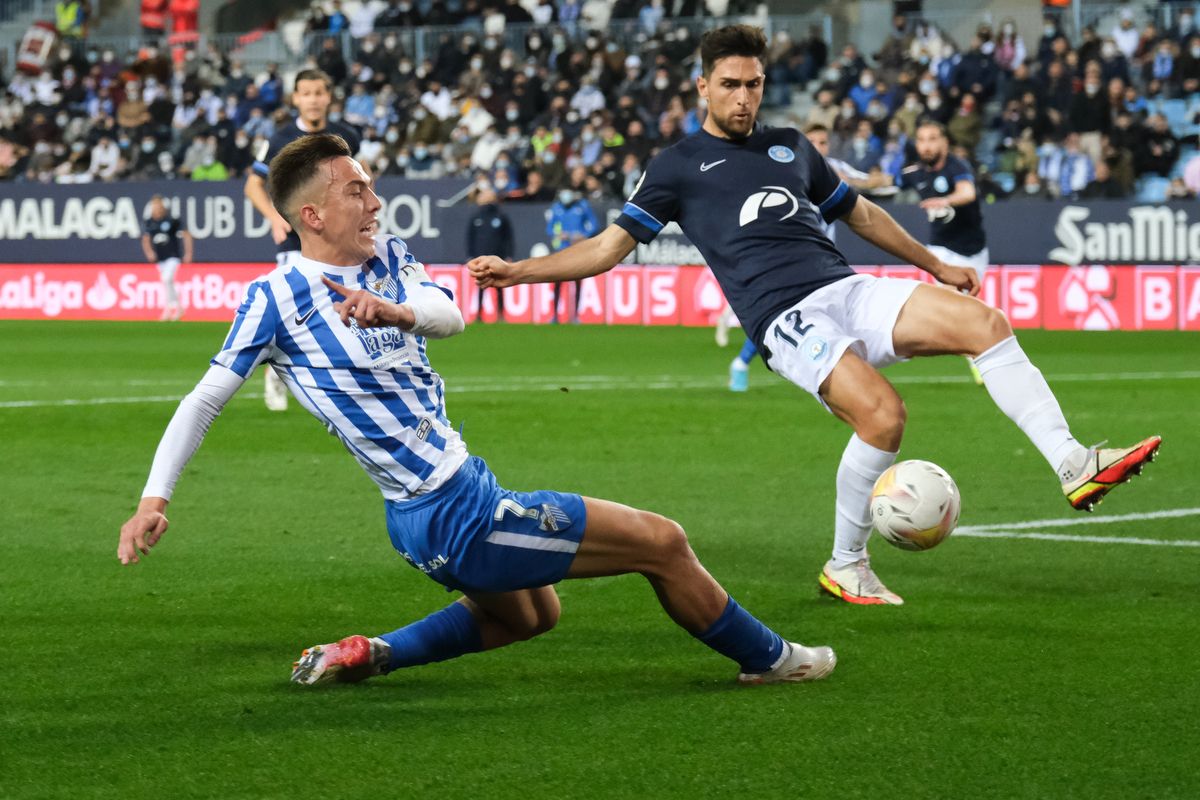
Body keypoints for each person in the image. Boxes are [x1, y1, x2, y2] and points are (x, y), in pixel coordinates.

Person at [470, 25, 1161, 606]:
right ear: (703, 88)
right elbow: (608, 247)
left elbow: (859, 212)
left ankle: (1072, 462)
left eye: (755, 84)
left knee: (986, 325)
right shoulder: (676, 166)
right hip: (783, 316)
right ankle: (846, 563)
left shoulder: (792, 147)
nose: (745, 97)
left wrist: (934, 263)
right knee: (885, 418)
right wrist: (519, 271)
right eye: (731, 84)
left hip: (846, 287)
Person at [116, 133, 836, 689]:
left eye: (371, 186)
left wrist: (395, 311)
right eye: (356, 190)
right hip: (453, 512)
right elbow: (206, 396)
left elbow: (450, 312)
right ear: (311, 214)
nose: (374, 201)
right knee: (663, 543)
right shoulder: (275, 300)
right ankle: (773, 660)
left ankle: (368, 654)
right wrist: (155, 497)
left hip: (434, 507)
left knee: (531, 614)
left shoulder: (384, 256)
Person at [244, 68, 362, 412]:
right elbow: (253, 184)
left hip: (336, 236)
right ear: (296, 98)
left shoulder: (346, 136)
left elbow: (362, 175)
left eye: (319, 92)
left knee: (339, 306)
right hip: (296, 238)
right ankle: (277, 373)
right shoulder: (280, 139)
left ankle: (337, 378)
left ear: (328, 97)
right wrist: (275, 217)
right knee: (294, 308)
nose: (313, 99)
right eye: (306, 93)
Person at [897, 120, 990, 385]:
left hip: (975, 250)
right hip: (941, 251)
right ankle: (971, 353)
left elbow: (967, 192)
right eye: (922, 139)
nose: (927, 145)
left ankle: (969, 348)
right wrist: (852, 180)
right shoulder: (913, 171)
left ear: (944, 142)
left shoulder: (957, 167)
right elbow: (885, 182)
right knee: (953, 304)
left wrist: (946, 200)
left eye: (932, 138)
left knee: (969, 308)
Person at [545, 187, 598, 324]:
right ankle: (555, 315)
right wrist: (558, 234)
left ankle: (576, 316)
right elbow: (550, 228)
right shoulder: (557, 208)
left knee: (578, 282)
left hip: (577, 249)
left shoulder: (582, 206)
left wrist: (583, 235)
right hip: (562, 250)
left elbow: (594, 225)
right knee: (557, 282)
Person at [140, 195, 193, 321]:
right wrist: (149, 253)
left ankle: (168, 309)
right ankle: (178, 308)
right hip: (160, 258)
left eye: (158, 206)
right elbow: (145, 239)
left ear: (163, 207)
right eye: (154, 206)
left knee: (167, 278)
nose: (156, 209)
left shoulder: (172, 220)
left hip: (173, 256)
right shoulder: (149, 222)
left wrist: (188, 253)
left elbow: (186, 235)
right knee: (167, 282)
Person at [466, 186, 513, 322]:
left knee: (499, 286)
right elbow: (470, 238)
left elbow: (508, 238)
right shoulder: (476, 217)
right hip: (480, 259)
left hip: (498, 258)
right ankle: (479, 314)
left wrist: (508, 255)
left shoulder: (501, 216)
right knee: (481, 286)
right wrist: (470, 255)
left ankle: (501, 315)